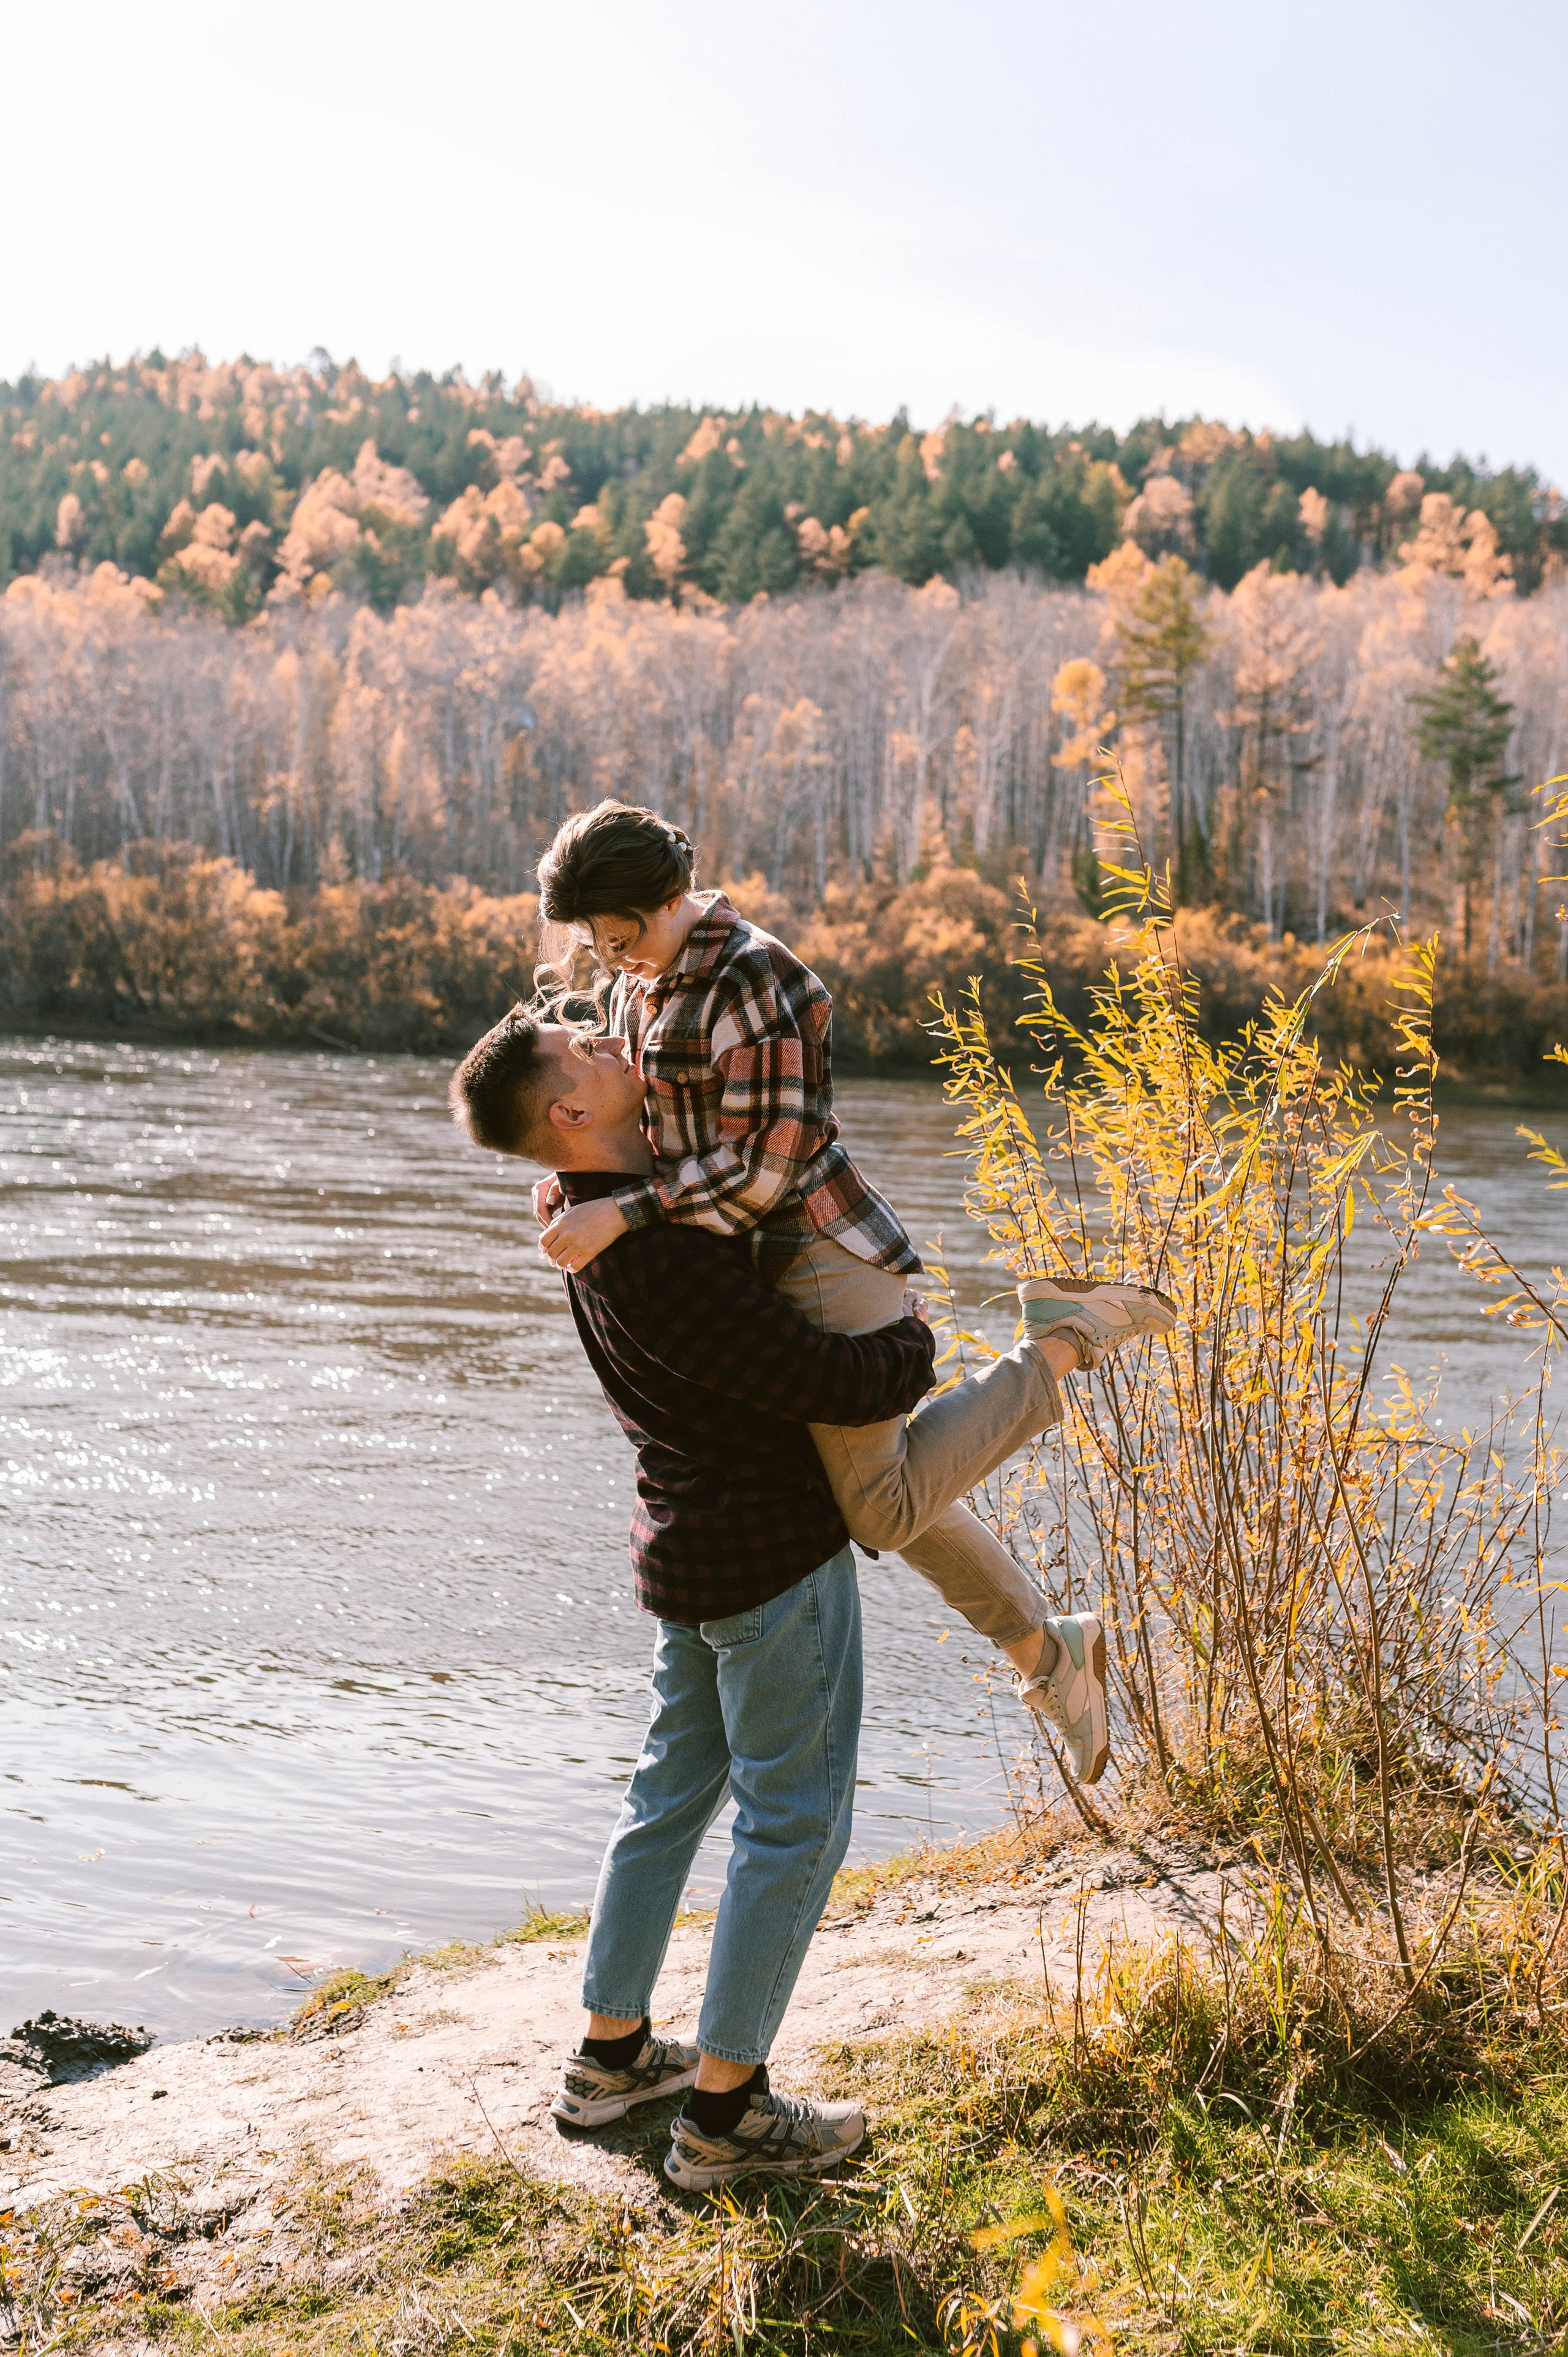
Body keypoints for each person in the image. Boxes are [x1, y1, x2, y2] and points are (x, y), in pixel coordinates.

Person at [529, 800, 1175, 1769]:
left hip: (822, 1256)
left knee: (873, 1508)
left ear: (670, 898)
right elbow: (651, 1128)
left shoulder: (763, 977)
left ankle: (1060, 1343)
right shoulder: (644, 977)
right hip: (750, 1271)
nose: (612, 956)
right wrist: (582, 1180)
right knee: (874, 1491)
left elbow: (767, 1171)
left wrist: (622, 1212)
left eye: (623, 934)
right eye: (598, 940)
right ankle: (1051, 1651)